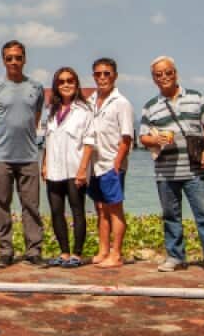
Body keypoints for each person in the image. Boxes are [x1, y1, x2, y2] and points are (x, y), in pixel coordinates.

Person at [139, 56, 204, 277]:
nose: (164, 77)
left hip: (193, 167)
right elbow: (142, 137)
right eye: (158, 74)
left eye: (168, 72)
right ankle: (175, 256)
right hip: (165, 170)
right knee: (171, 216)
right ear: (154, 79)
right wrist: (155, 140)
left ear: (175, 73)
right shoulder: (150, 107)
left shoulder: (196, 97)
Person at [0, 40, 45, 268]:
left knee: (31, 206)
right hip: (1, 156)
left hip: (29, 156)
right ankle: (5, 251)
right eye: (9, 58)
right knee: (2, 204)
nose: (14, 62)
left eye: (18, 57)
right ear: (3, 60)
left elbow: (36, 118)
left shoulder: (36, 88)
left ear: (24, 59)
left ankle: (33, 250)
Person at [79, 57, 132, 268]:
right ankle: (103, 250)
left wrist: (117, 164)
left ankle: (116, 254)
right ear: (93, 76)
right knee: (101, 209)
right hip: (95, 166)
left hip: (111, 164)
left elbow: (127, 138)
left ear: (115, 76)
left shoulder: (121, 103)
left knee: (115, 210)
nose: (102, 78)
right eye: (98, 74)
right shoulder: (90, 102)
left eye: (107, 73)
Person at [41, 66, 91, 268]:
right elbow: (47, 141)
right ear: (56, 86)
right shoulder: (51, 111)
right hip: (54, 170)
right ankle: (64, 253)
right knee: (56, 211)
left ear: (76, 84)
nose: (66, 84)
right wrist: (44, 164)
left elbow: (89, 141)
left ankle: (77, 255)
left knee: (77, 211)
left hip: (74, 169)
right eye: (61, 82)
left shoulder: (84, 111)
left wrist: (82, 169)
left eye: (70, 80)